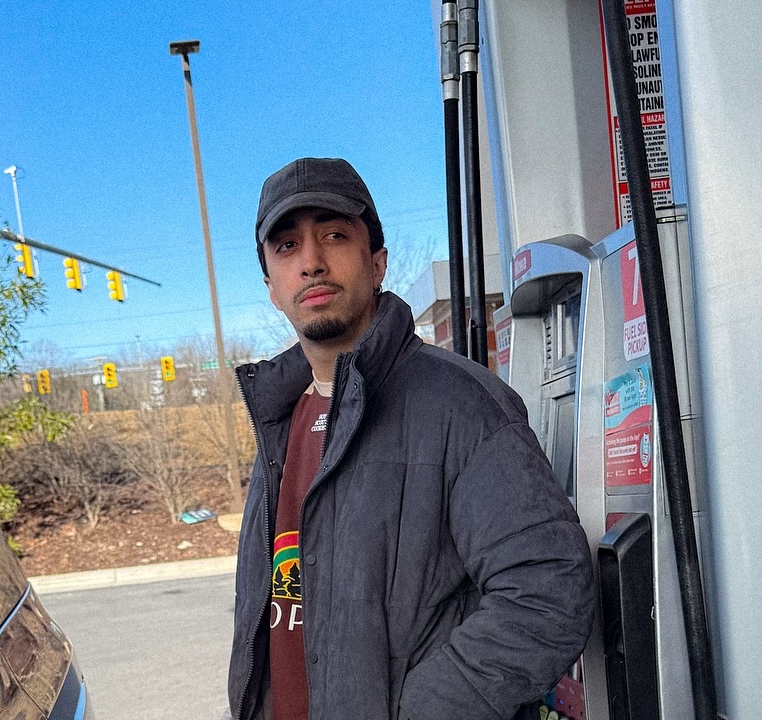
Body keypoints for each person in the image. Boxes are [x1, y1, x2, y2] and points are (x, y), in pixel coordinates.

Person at [228, 157, 594, 720]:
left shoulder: (463, 404)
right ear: (272, 288)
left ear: (377, 263)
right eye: (287, 246)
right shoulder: (278, 418)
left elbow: (548, 588)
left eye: (334, 235)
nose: (311, 262)